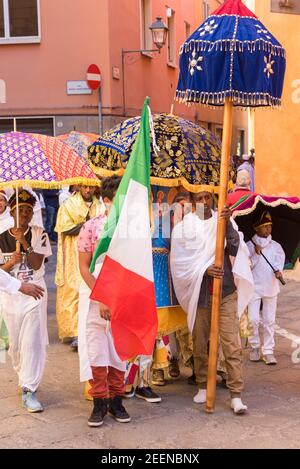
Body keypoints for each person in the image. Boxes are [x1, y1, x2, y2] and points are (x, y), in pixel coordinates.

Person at [170, 191, 253, 415]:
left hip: (226, 291)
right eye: (200, 198)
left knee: (231, 344)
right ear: (193, 202)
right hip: (201, 295)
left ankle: (236, 394)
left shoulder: (223, 220)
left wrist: (225, 225)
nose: (204, 202)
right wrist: (204, 269)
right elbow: (180, 263)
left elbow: (235, 249)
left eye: (208, 198)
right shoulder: (183, 229)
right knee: (199, 344)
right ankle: (202, 384)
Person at [77, 176, 131, 427]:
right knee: (97, 350)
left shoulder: (133, 228)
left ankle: (117, 401)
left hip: (124, 297)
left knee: (119, 351)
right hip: (96, 298)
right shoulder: (90, 227)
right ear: (107, 200)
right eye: (118, 197)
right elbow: (85, 268)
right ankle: (99, 402)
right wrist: (102, 298)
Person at [0, 190, 52, 412]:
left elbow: (38, 265)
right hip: (11, 296)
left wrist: (25, 243)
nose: (24, 214)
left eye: (28, 211)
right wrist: (10, 263)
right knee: (15, 345)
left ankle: (29, 388)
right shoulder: (1, 237)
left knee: (32, 342)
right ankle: (23, 376)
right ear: (12, 213)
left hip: (35, 293)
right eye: (20, 210)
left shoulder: (40, 234)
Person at [55, 185, 102, 350]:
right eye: (85, 187)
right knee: (74, 288)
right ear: (79, 187)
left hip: (94, 251)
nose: (88, 190)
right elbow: (64, 228)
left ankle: (92, 329)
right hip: (74, 252)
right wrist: (86, 225)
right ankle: (75, 332)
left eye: (90, 187)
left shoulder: (101, 205)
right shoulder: (69, 204)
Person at [247, 211, 285, 365]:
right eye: (264, 226)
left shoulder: (276, 246)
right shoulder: (249, 246)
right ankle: (254, 346)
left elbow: (279, 262)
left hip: (270, 287)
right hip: (254, 287)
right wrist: (255, 254)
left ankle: (268, 350)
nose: (268, 229)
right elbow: (247, 266)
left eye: (269, 226)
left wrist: (278, 271)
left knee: (269, 320)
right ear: (256, 229)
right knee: (253, 319)